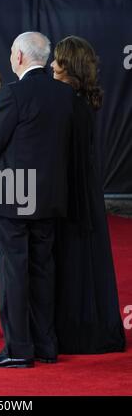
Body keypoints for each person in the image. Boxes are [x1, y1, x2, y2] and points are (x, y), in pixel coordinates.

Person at [0, 32, 75, 368]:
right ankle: (46, 346)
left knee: (14, 273)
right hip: (49, 198)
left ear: (18, 57)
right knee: (42, 272)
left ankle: (18, 349)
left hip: (13, 196)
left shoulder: (13, 93)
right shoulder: (65, 95)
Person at [51, 36, 126, 354]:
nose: (52, 65)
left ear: (69, 65)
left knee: (71, 258)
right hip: (86, 192)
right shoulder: (83, 99)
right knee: (87, 258)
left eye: (57, 60)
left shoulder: (64, 100)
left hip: (70, 193)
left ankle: (74, 331)